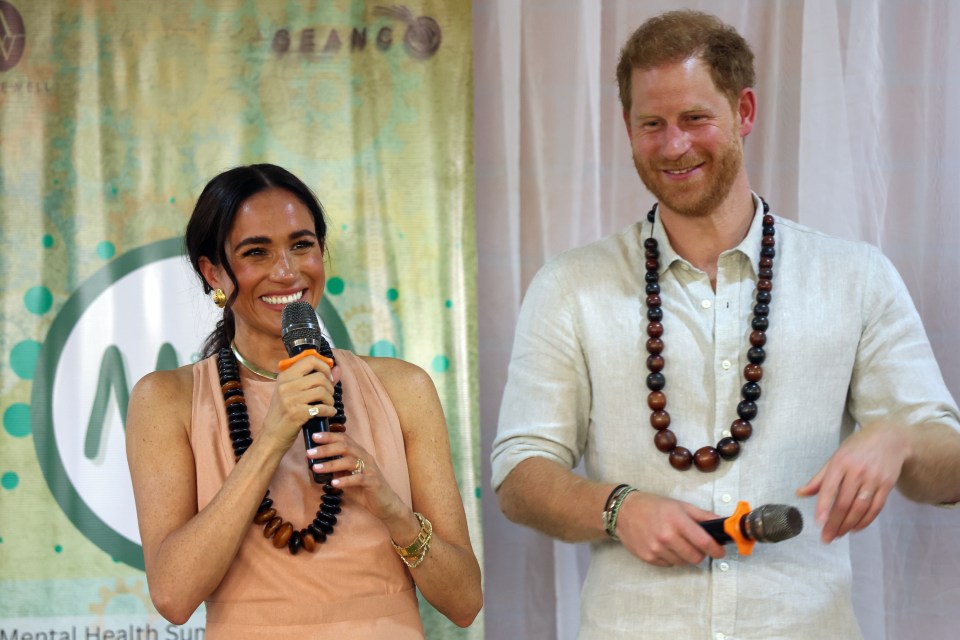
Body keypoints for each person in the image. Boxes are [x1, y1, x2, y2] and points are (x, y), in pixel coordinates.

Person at [491, 10, 960, 639]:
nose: (673, 145)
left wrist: (901, 436)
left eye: (694, 119)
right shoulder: (569, 286)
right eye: (650, 124)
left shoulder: (856, 278)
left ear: (743, 112)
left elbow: (951, 468)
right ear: (627, 128)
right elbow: (520, 473)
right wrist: (616, 508)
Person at [126, 163, 482, 638]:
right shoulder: (165, 400)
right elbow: (173, 596)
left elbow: (464, 603)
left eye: (301, 245)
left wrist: (392, 508)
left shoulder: (403, 388)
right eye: (257, 252)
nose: (286, 271)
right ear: (213, 272)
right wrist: (273, 436)